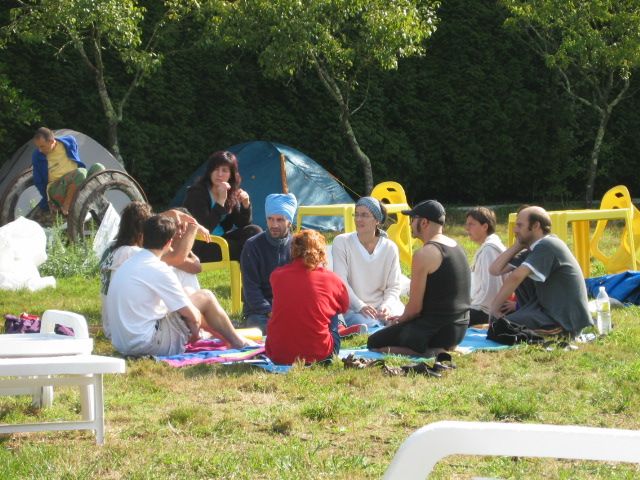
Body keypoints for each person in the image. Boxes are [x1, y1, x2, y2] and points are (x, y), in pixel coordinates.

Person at [107, 215, 252, 356]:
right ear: (169, 242)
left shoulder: (129, 263)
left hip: (122, 344)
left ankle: (227, 337)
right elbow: (192, 316)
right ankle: (237, 341)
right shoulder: (158, 268)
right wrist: (196, 329)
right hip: (146, 344)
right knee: (205, 297)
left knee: (188, 293)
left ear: (143, 237)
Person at [367, 200, 471, 356]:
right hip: (460, 328)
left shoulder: (424, 254)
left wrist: (398, 321)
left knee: (375, 342)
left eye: (412, 219)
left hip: (436, 331)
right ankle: (442, 348)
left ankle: (431, 352)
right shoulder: (456, 246)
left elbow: (414, 309)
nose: (410, 224)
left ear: (424, 223)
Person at [99, 202, 204, 338]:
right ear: (142, 230)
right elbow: (183, 261)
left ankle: (198, 318)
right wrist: (192, 228)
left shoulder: (112, 247)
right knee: (182, 273)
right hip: (127, 328)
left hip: (115, 324)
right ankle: (199, 319)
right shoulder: (132, 253)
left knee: (175, 272)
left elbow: (192, 265)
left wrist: (170, 215)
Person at [488, 205, 592, 336]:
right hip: (543, 311)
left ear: (536, 226)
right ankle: (523, 317)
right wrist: (517, 245)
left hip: (562, 321)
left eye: (519, 225)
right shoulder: (534, 250)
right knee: (499, 327)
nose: (515, 229)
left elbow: (516, 277)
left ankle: (547, 329)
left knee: (499, 328)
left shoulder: (548, 245)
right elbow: (495, 270)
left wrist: (493, 309)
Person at [265, 230, 349, 364]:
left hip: (278, 353)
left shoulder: (277, 275)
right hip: (319, 354)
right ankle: (337, 330)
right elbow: (344, 307)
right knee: (333, 310)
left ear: (293, 250)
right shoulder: (332, 279)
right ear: (321, 253)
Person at [331, 196, 403, 330]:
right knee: (368, 325)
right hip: (355, 309)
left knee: (401, 321)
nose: (358, 219)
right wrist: (360, 306)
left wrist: (386, 306)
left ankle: (387, 325)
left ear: (377, 220)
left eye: (364, 215)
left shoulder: (390, 247)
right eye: (356, 214)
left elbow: (394, 286)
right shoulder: (341, 242)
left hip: (384, 306)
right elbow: (341, 282)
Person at [183, 150, 262, 262]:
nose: (219, 174)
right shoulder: (197, 192)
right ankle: (253, 269)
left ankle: (252, 267)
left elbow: (242, 224)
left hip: (221, 239)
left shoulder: (230, 192)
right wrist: (220, 201)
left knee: (254, 232)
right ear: (210, 171)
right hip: (199, 244)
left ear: (231, 175)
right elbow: (204, 227)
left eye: (224, 170)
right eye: (216, 169)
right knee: (246, 248)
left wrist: (246, 204)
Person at [240, 193, 297, 333]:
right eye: (270, 219)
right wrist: (270, 311)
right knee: (264, 328)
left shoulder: (297, 246)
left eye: (280, 220)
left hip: (291, 308)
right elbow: (251, 289)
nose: (274, 225)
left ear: (289, 222)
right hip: (260, 312)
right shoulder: (252, 246)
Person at [32, 127, 104, 216]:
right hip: (57, 187)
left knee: (99, 168)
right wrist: (48, 201)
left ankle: (90, 200)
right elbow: (38, 181)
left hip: (76, 180)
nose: (40, 150)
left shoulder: (69, 142)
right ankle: (66, 207)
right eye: (38, 147)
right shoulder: (37, 156)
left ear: (51, 141)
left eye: (42, 146)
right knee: (80, 173)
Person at [465, 207, 507, 325]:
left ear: (485, 226)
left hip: (485, 312)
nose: (467, 228)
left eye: (471, 224)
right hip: (481, 307)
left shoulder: (489, 250)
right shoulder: (488, 248)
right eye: (467, 224)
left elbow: (492, 290)